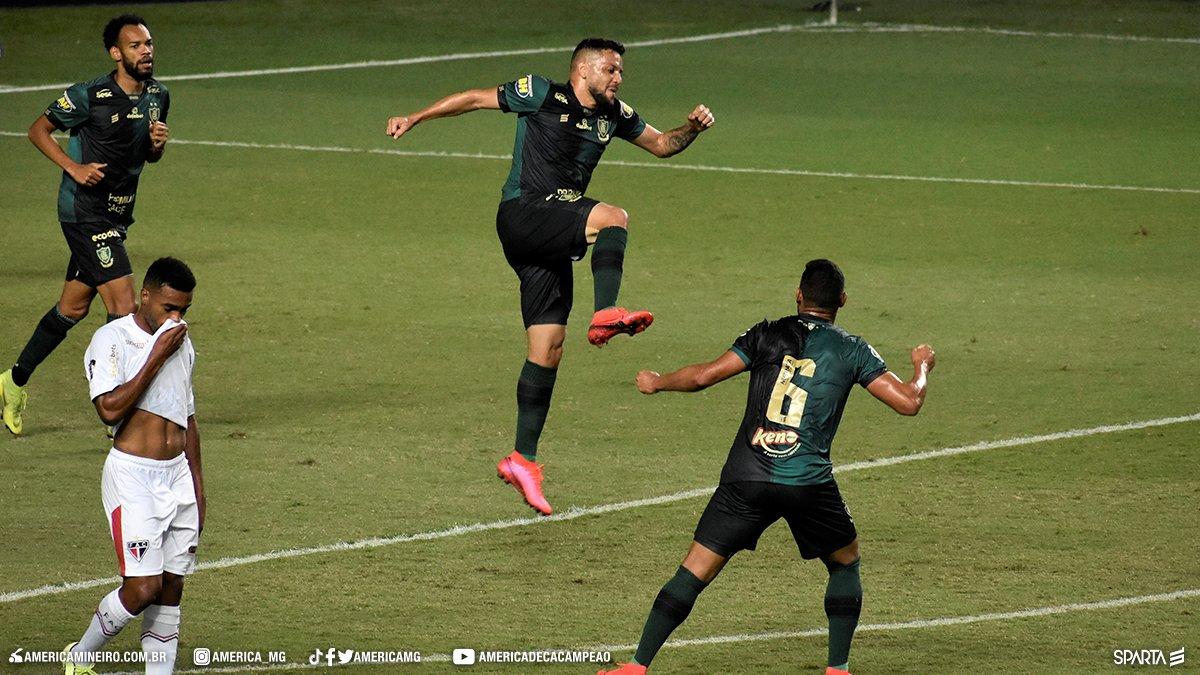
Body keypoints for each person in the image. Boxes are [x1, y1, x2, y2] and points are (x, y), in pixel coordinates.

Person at [385, 38, 715, 515]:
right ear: (583, 70)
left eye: (621, 71)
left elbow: (663, 144)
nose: (618, 78)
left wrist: (693, 127)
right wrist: (416, 117)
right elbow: (475, 99)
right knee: (614, 217)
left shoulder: (616, 113)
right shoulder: (541, 93)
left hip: (552, 232)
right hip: (524, 212)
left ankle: (522, 458)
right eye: (611, 69)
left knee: (549, 347)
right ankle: (605, 312)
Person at [600, 259, 936, 675]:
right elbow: (909, 403)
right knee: (845, 562)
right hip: (807, 482)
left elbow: (704, 376)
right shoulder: (852, 349)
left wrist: (657, 380)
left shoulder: (766, 334)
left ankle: (637, 665)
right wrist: (922, 366)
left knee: (695, 569)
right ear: (842, 301)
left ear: (798, 295)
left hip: (747, 477)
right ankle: (838, 670)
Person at [1, 14, 170, 436]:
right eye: (135, 46)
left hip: (117, 213)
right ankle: (119, 413)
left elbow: (147, 158)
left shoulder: (158, 96)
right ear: (116, 54)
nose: (145, 51)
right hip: (83, 212)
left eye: (148, 44)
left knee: (73, 307)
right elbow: (38, 130)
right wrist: (73, 167)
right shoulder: (89, 95)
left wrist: (156, 147)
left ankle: (13, 382)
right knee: (124, 305)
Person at [63, 257, 202, 675]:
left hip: (178, 476)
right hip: (133, 478)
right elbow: (108, 409)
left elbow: (188, 417)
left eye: (183, 310)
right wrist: (158, 352)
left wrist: (198, 487)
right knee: (143, 589)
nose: (175, 318)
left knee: (172, 587)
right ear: (145, 296)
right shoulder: (112, 340)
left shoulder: (181, 342)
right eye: (168, 308)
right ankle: (81, 655)